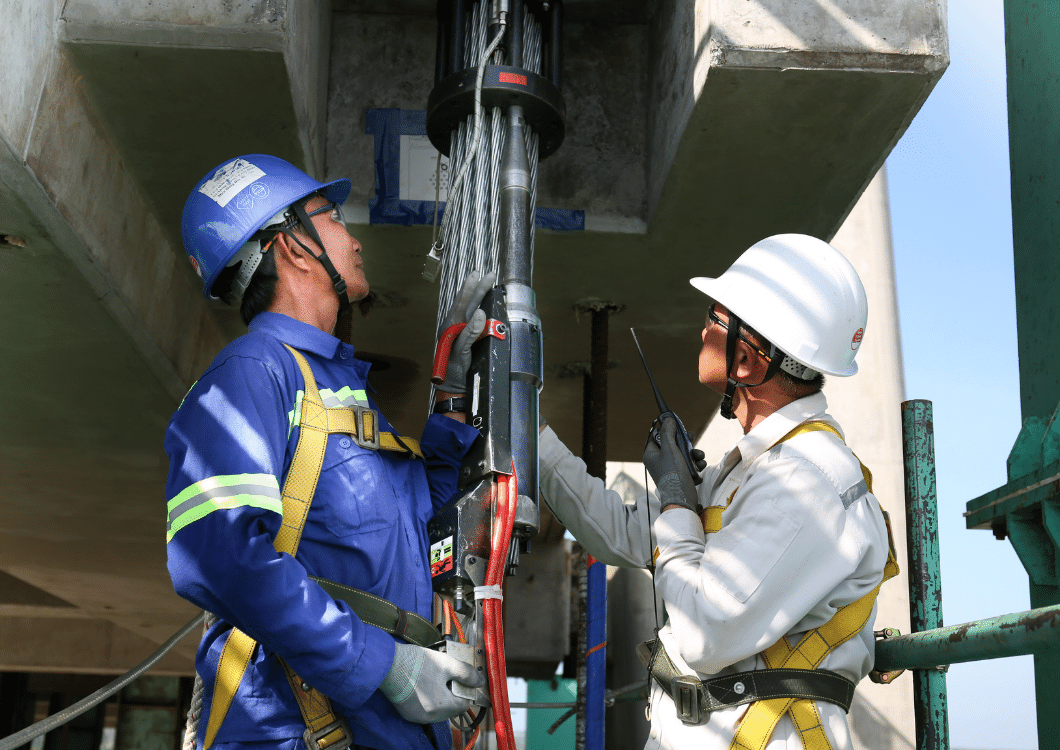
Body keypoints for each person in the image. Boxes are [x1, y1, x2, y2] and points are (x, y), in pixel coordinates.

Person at [165, 154, 489, 750]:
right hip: (299, 730)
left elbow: (418, 530)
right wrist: (382, 665)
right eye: (332, 216)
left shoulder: (337, 390)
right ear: (291, 247)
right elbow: (216, 554)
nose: (354, 238)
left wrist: (452, 397)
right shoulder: (252, 374)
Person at [538, 234, 896, 750]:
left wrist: (679, 500)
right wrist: (532, 429)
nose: (703, 327)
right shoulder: (753, 472)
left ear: (748, 363)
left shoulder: (806, 478)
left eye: (716, 316)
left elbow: (703, 633)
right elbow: (617, 534)